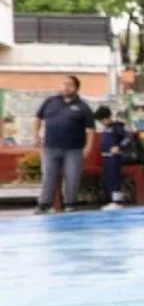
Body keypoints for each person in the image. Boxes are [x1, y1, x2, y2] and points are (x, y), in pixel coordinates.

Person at [33, 75, 96, 213]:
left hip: (73, 149)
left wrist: (88, 147)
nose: (66, 87)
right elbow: (38, 118)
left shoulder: (83, 107)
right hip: (50, 147)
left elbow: (90, 130)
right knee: (48, 176)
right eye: (64, 84)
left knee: (72, 177)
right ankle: (44, 204)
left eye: (70, 85)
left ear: (76, 88)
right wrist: (36, 135)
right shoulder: (50, 102)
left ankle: (71, 204)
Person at [95, 105, 130, 210]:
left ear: (108, 117)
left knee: (115, 179)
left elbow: (127, 137)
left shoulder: (117, 127)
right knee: (109, 179)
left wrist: (119, 147)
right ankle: (111, 199)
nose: (102, 123)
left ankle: (117, 201)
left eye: (103, 120)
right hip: (106, 157)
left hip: (114, 157)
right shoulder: (106, 128)